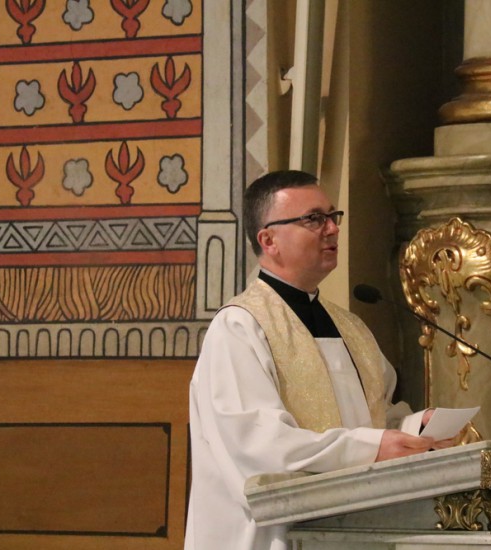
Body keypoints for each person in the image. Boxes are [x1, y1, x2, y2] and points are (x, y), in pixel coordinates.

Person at [184, 170, 449, 550]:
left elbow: (373, 417)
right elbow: (260, 447)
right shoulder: (239, 328)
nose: (332, 229)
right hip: (270, 536)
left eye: (332, 216)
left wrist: (412, 429)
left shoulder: (350, 327)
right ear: (269, 240)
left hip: (354, 528)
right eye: (313, 219)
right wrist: (370, 448)